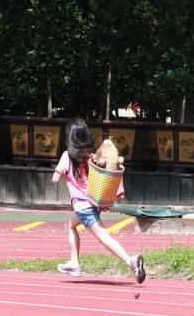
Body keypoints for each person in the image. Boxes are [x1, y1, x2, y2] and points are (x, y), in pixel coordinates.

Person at [52, 117, 146, 284]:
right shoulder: (92, 157)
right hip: (93, 202)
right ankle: (74, 263)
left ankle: (130, 261)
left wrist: (62, 171)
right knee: (69, 224)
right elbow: (113, 168)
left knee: (104, 237)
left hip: (83, 207)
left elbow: (55, 178)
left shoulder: (67, 156)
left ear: (69, 137)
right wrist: (119, 189)